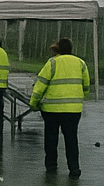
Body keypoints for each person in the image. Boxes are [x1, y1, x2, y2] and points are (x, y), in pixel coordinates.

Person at [29, 37, 91, 177]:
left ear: (58, 49)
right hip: (73, 110)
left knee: (51, 138)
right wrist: (80, 97)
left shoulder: (52, 63)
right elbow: (86, 86)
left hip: (51, 110)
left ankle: (51, 166)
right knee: (71, 139)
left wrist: (34, 102)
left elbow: (40, 85)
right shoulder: (80, 63)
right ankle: (74, 168)